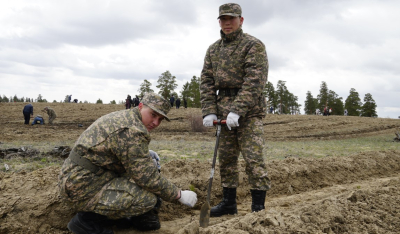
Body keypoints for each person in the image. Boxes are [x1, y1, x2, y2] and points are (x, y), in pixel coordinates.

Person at [58, 92, 197, 233]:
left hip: (82, 177)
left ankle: (126, 217)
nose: (156, 123)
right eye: (153, 115)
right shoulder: (133, 130)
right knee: (147, 199)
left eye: (160, 119)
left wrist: (145, 156)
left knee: (150, 164)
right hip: (82, 187)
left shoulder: (127, 118)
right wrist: (178, 194)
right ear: (141, 106)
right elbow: (146, 177)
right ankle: (87, 221)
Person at [200, 3, 271, 217]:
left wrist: (238, 110)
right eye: (223, 19)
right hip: (223, 112)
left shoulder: (253, 45)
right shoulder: (213, 49)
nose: (227, 23)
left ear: (241, 20)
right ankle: (229, 203)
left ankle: (258, 208)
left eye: (231, 18)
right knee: (227, 160)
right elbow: (206, 81)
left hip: (249, 113)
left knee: (253, 158)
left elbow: (255, 80)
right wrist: (209, 111)